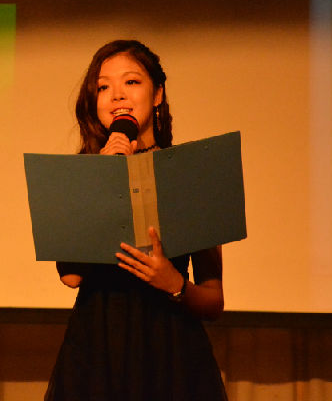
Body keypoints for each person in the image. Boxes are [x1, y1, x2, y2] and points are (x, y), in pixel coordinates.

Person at [45, 39, 227, 401]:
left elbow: (214, 299)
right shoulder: (82, 176)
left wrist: (175, 283)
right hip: (97, 353)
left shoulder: (189, 175)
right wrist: (103, 177)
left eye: (131, 82)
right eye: (103, 87)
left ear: (157, 94)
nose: (117, 96)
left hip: (170, 353)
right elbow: (70, 276)